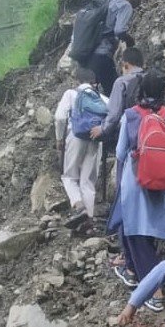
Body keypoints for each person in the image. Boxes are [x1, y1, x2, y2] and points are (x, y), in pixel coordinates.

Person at [107, 71, 165, 307]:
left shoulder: (131, 115)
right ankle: (132, 270)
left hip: (136, 182)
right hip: (163, 184)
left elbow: (120, 152)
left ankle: (155, 292)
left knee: (137, 235)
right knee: (147, 233)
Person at [53, 68, 108, 231]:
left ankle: (79, 206)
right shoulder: (102, 98)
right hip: (95, 138)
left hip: (75, 137)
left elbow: (59, 117)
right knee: (88, 180)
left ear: (77, 81)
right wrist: (102, 130)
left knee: (69, 177)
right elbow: (114, 118)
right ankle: (88, 221)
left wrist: (59, 138)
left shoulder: (71, 94)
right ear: (94, 83)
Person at [88, 0, 146, 93]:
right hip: (101, 55)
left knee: (94, 92)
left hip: (88, 54)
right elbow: (119, 31)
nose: (139, 3)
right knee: (115, 92)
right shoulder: (125, 5)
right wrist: (129, 40)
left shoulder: (109, 0)